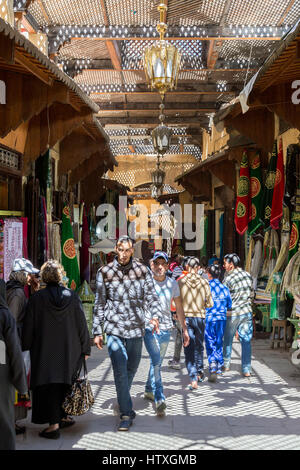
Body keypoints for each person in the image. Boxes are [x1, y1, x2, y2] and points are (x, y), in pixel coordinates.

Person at [93, 235, 162, 432]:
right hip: (114, 328)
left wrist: (155, 317)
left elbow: (151, 296)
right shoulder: (104, 272)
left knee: (130, 369)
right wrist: (97, 331)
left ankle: (123, 398)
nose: (123, 254)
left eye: (127, 250)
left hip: (136, 328)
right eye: (120, 250)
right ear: (116, 249)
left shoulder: (142, 271)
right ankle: (125, 413)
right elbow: (99, 303)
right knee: (120, 371)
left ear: (132, 251)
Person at [22, 259, 91, 439]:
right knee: (64, 382)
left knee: (49, 384)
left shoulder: (36, 299)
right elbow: (81, 325)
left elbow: (29, 326)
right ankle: (62, 417)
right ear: (60, 276)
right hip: (70, 349)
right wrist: (85, 348)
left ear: (44, 276)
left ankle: (53, 426)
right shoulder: (72, 296)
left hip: (44, 350)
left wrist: (25, 344)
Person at [143, 251, 189, 415]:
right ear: (152, 265)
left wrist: (184, 329)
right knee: (156, 361)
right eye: (157, 263)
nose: (160, 267)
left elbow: (179, 306)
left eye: (163, 263)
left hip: (166, 328)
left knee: (157, 362)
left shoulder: (172, 284)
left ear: (168, 265)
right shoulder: (145, 283)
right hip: (149, 328)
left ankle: (149, 389)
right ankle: (159, 397)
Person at [6, 257, 39, 434]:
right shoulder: (18, 294)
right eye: (28, 274)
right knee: (14, 379)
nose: (30, 277)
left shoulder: (11, 289)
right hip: (14, 342)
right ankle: (10, 421)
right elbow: (11, 320)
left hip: (12, 341)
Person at [178, 257, 214, 389]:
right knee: (199, 346)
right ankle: (199, 372)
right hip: (200, 317)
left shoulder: (181, 282)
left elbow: (177, 302)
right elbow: (210, 303)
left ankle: (193, 377)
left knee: (188, 347)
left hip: (186, 317)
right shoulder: (204, 282)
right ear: (198, 268)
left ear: (187, 267)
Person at [0, 279, 27, 450]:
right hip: (1, 376)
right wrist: (21, 385)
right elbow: (14, 352)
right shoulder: (4, 315)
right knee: (4, 422)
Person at [222, 253, 253, 377]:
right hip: (246, 312)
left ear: (231, 265)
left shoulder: (228, 279)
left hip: (232, 313)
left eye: (225, 263)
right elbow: (251, 293)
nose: (224, 266)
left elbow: (224, 297)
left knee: (228, 339)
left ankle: (226, 364)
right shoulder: (248, 275)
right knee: (246, 340)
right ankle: (246, 369)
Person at [205, 264, 232, 382]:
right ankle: (219, 365)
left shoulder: (205, 287)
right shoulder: (224, 288)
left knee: (209, 340)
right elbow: (229, 305)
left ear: (209, 274)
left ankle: (212, 364)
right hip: (221, 319)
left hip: (209, 318)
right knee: (219, 341)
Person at [168, 256, 189, 370]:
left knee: (180, 335)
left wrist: (174, 311)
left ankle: (176, 360)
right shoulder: (199, 279)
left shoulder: (179, 280)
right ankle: (192, 360)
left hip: (182, 312)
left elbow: (175, 297)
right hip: (195, 313)